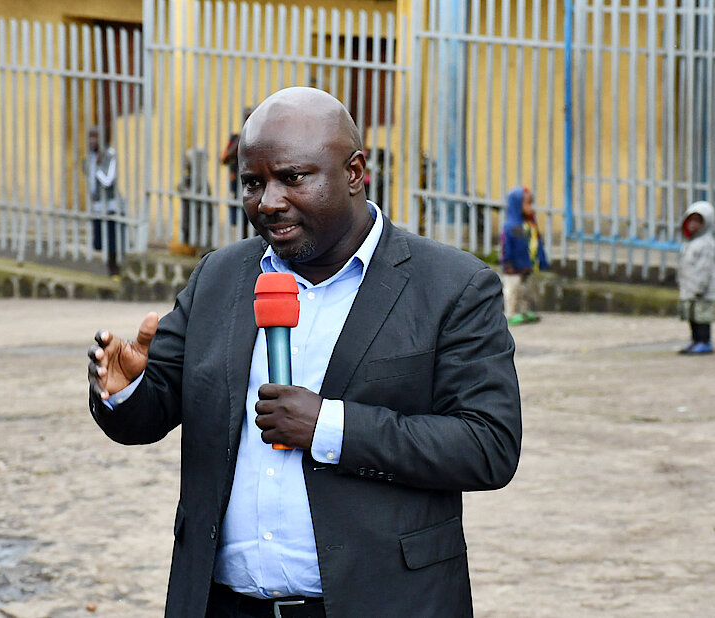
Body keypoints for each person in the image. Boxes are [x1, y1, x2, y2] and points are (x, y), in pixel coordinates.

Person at [87, 87, 521, 618]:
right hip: (222, 606)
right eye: (253, 182)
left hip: (382, 604)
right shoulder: (220, 277)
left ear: (355, 172)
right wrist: (126, 389)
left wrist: (329, 427)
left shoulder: (452, 286)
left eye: (292, 178)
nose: (268, 202)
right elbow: (148, 414)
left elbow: (488, 445)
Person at [499, 186, 549, 326]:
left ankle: (524, 312)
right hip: (513, 268)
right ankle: (510, 313)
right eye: (527, 204)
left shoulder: (530, 225)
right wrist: (507, 262)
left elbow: (537, 244)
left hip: (526, 266)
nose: (531, 208)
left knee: (525, 291)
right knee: (512, 291)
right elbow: (506, 247)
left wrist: (541, 260)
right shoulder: (511, 227)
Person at [677, 201, 715, 354]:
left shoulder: (706, 244)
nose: (693, 224)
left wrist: (699, 287)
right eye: (691, 220)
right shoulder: (690, 243)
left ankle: (704, 341)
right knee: (692, 317)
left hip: (702, 290)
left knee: (702, 319)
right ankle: (695, 340)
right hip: (690, 288)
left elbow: (705, 268)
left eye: (698, 221)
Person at [84, 127, 122, 276]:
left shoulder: (110, 155)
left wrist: (99, 166)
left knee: (113, 243)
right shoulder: (88, 158)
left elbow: (108, 180)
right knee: (99, 243)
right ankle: (109, 270)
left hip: (111, 206)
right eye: (90, 137)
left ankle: (115, 271)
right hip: (97, 207)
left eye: (95, 137)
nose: (92, 141)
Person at [221, 107, 252, 232]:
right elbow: (224, 158)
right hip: (238, 183)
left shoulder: (262, 138)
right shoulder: (236, 138)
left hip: (255, 182)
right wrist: (242, 137)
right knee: (240, 216)